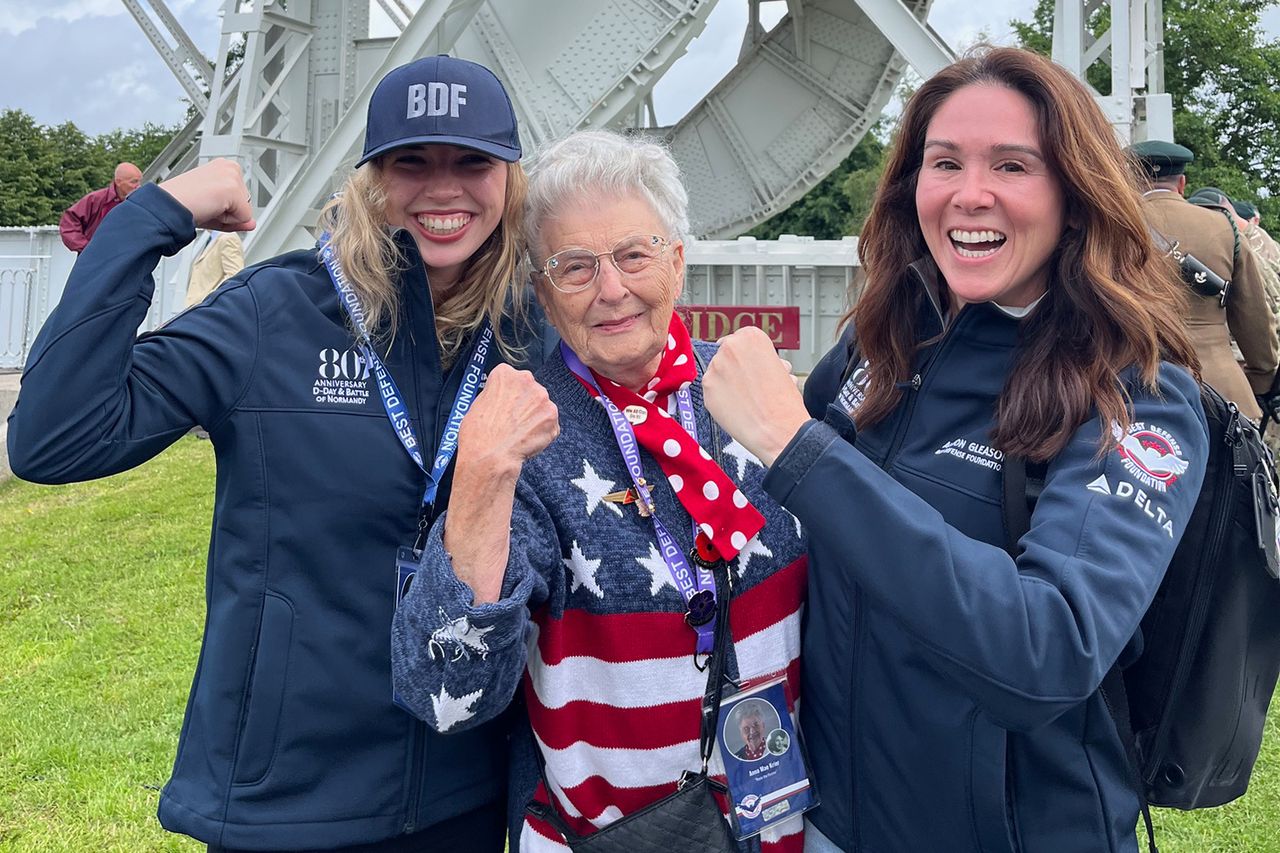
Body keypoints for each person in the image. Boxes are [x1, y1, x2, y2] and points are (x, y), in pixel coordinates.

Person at [8, 55, 546, 853]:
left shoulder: (524, 331)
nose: (444, 188)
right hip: (286, 802)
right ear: (371, 177)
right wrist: (156, 214)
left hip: (459, 790)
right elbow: (55, 435)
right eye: (412, 161)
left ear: (508, 179)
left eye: (472, 161)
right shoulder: (275, 312)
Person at [701, 47, 1209, 853]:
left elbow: (1050, 650)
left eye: (1012, 165)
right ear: (913, 185)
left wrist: (797, 448)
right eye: (945, 163)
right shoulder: (883, 347)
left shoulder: (1134, 396)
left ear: (1073, 196)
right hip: (833, 825)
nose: (971, 195)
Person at [391, 129, 808, 852]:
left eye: (633, 254)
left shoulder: (756, 392)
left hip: (782, 822)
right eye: (574, 267)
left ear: (676, 261)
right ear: (543, 293)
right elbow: (442, 691)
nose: (611, 289)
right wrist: (483, 475)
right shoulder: (532, 440)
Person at [1129, 144, 1278, 420]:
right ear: (1182, 183)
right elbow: (1254, 317)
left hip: (1135, 389)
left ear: (1131, 180)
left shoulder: (1109, 226)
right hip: (1221, 391)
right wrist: (1261, 378)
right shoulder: (1225, 228)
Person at [59, 162, 143, 252]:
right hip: (94, 261)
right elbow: (69, 222)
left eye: (139, 181)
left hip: (126, 260)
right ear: (118, 182)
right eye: (134, 182)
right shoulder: (95, 199)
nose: (138, 186)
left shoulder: (141, 203)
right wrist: (86, 248)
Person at [185, 231, 246, 307]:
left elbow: (235, 275)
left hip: (208, 308)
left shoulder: (228, 238)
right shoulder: (211, 238)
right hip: (199, 307)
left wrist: (208, 299)